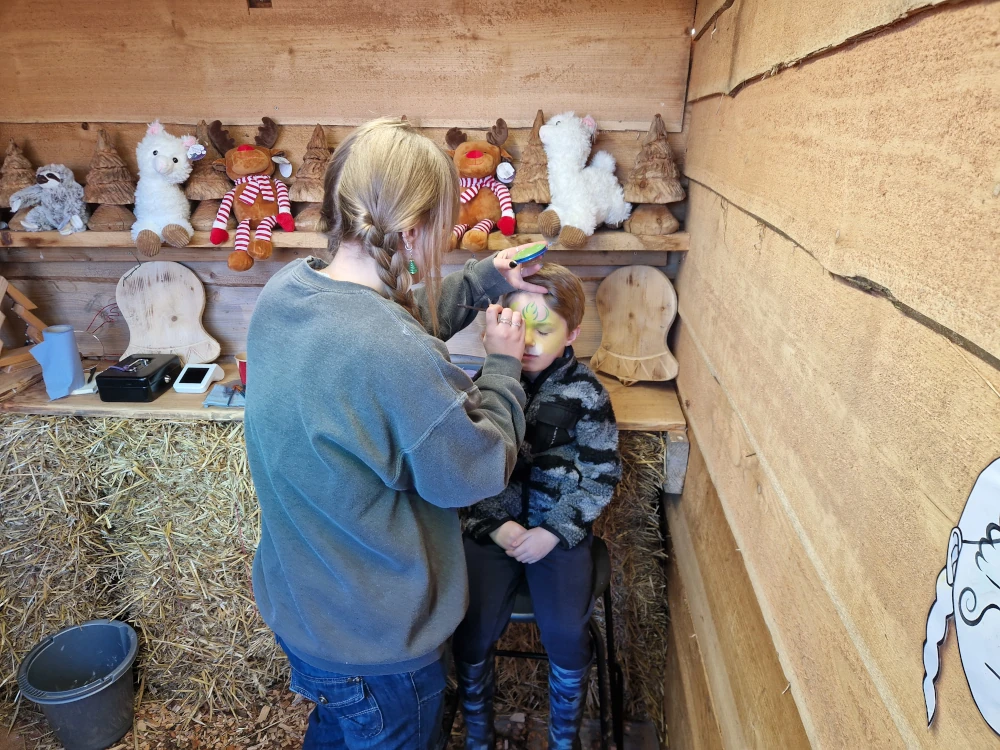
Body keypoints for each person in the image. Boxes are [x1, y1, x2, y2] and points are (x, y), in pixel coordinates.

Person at [243, 117, 547, 750]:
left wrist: (483, 280)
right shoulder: (393, 353)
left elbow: (378, 324)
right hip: (377, 641)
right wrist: (501, 367)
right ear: (414, 229)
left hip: (307, 607)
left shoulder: (285, 293)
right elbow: (473, 471)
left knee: (337, 726)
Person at [453, 264, 623, 750]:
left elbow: (601, 474)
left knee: (567, 635)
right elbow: (464, 470)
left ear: (571, 333)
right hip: (494, 532)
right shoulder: (478, 389)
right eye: (517, 327)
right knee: (469, 630)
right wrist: (493, 525)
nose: (527, 342)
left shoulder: (586, 394)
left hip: (557, 534)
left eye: (543, 330)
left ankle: (563, 738)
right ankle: (478, 735)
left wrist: (553, 531)